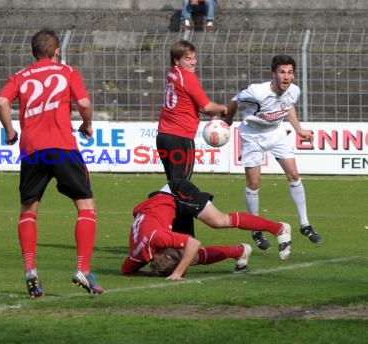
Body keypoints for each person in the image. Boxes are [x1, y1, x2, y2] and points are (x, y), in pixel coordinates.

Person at [0, 28, 103, 298]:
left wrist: (10, 131)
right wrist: (87, 124)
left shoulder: (20, 76)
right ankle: (83, 268)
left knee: (29, 210)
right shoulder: (67, 72)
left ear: (33, 52)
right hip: (62, 146)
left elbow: (1, 101)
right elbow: (84, 102)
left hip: (33, 150)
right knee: (85, 206)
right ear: (57, 51)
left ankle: (30, 271)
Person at [224, 54, 322, 251]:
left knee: (294, 175)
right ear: (274, 74)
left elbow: (288, 107)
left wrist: (299, 130)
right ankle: (255, 229)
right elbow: (235, 99)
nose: (286, 77)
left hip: (276, 133)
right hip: (252, 136)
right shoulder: (257, 92)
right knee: (253, 183)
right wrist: (227, 121)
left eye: (290, 72)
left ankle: (305, 225)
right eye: (282, 72)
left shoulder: (294, 90)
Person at [120, 178, 293, 280]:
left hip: (175, 194)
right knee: (191, 257)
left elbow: (194, 243)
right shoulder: (138, 256)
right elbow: (126, 271)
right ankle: (239, 252)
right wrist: (155, 272)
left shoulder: (157, 239)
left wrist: (178, 273)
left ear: (164, 253)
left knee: (218, 221)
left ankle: (279, 228)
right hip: (164, 209)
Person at [156, 39, 226, 237]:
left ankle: (177, 234)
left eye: (194, 58)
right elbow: (206, 107)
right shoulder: (187, 77)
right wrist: (225, 108)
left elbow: (188, 103)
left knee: (175, 184)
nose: (193, 62)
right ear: (177, 61)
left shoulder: (173, 74)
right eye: (188, 59)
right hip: (180, 138)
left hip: (164, 137)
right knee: (181, 188)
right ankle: (182, 237)